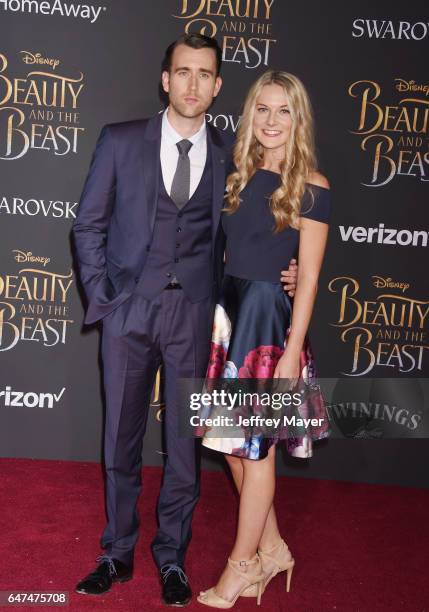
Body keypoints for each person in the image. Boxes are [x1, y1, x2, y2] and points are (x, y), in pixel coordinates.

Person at [72, 34, 298, 606]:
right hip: (130, 310)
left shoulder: (233, 153)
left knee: (184, 445)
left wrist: (289, 268)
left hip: (196, 315)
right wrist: (106, 298)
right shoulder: (122, 141)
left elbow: (267, 223)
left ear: (218, 86)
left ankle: (170, 556)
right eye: (183, 72)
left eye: (205, 74)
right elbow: (88, 225)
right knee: (120, 437)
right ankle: (115, 551)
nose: (193, 84)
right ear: (165, 80)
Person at [197, 70, 331, 609]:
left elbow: (312, 276)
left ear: (298, 120)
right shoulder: (236, 176)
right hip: (229, 321)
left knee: (255, 455)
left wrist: (294, 349)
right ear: (250, 114)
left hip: (270, 328)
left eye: (284, 111)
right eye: (263, 109)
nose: (272, 121)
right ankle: (273, 548)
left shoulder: (312, 186)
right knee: (233, 451)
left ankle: (240, 568)